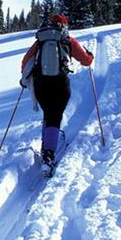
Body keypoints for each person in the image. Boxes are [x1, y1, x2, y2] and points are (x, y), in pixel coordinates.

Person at [19, 14, 94, 175]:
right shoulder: (67, 39)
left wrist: (25, 80)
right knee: (55, 115)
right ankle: (48, 154)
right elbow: (86, 61)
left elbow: (26, 61)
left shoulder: (40, 41)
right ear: (64, 25)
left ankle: (47, 144)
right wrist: (90, 55)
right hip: (60, 82)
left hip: (40, 83)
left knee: (49, 113)